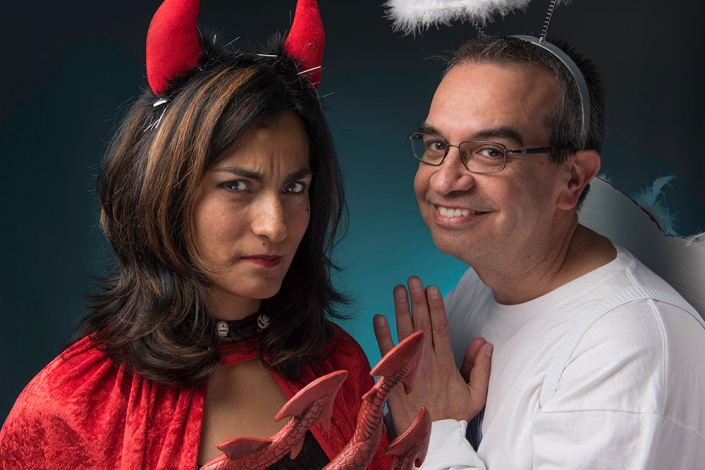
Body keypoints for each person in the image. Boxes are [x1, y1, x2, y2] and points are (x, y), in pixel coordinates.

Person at [0, 0, 393, 468]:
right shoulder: (69, 407)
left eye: (294, 187)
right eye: (236, 186)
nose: (275, 225)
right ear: (164, 194)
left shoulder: (338, 364)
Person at [373, 35, 705, 469]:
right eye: (437, 145)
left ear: (572, 179)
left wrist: (433, 432)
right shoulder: (487, 279)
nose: (443, 181)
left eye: (491, 152)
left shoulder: (627, 351)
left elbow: (435, 430)